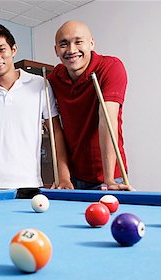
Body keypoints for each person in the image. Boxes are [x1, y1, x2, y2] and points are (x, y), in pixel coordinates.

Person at [0, 23, 72, 197]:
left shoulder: (40, 84)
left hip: (29, 184)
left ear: (14, 49)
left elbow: (55, 132)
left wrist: (64, 176)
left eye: (1, 49)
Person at [48, 20, 133, 190]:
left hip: (110, 177)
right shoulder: (55, 77)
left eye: (78, 42)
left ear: (91, 43)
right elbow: (28, 86)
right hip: (74, 177)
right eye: (64, 44)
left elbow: (106, 122)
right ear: (56, 50)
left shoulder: (110, 67)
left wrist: (108, 180)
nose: (72, 50)